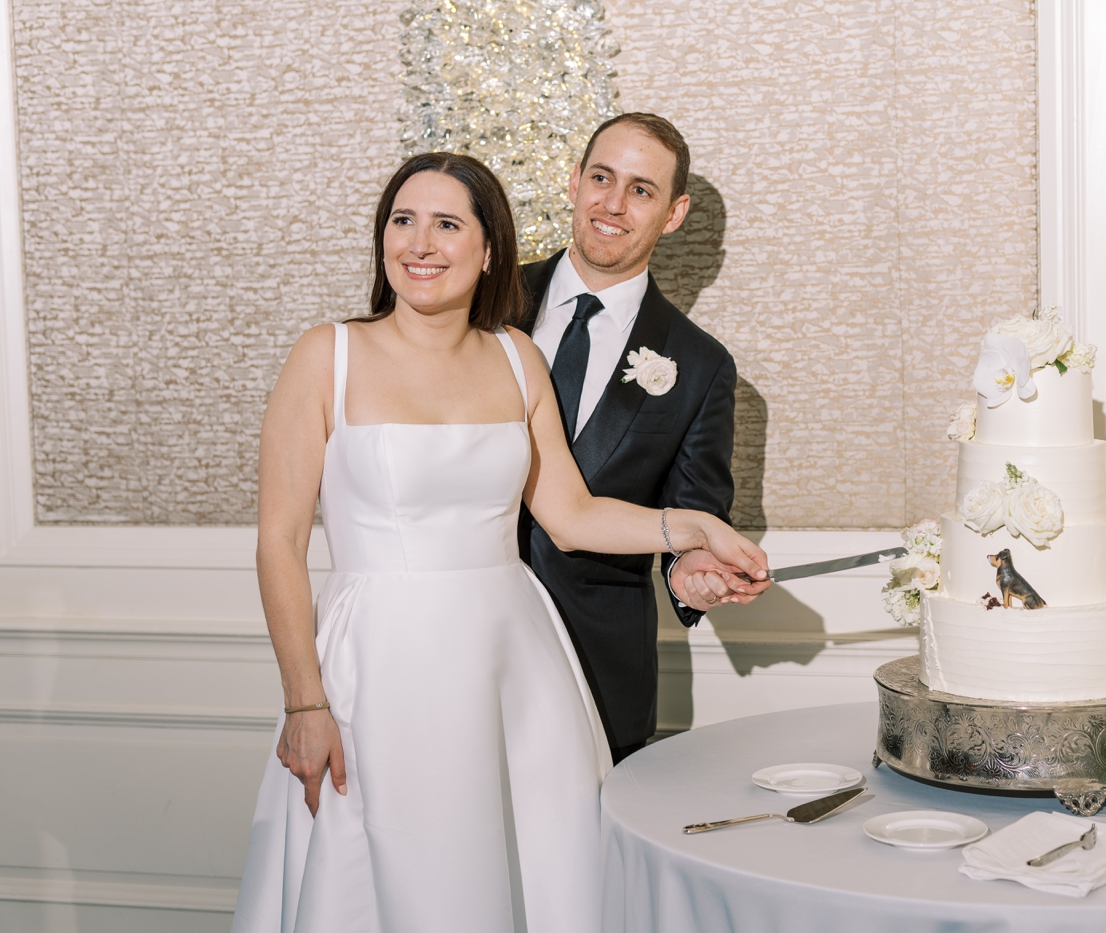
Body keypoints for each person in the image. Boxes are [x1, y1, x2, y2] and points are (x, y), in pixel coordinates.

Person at [230, 152, 768, 933]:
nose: (420, 243)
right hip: (380, 662)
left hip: (514, 660)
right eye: (402, 221)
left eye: (448, 224)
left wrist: (693, 527)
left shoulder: (518, 359)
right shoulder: (327, 354)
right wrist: (303, 699)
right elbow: (277, 543)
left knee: (534, 877)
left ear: (489, 250)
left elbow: (572, 514)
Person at [519, 113, 767, 764]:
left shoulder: (702, 365)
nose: (613, 203)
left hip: (598, 661)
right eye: (601, 177)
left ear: (674, 212)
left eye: (641, 189)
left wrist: (695, 576)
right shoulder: (484, 304)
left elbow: (695, 522)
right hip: (453, 636)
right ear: (574, 183)